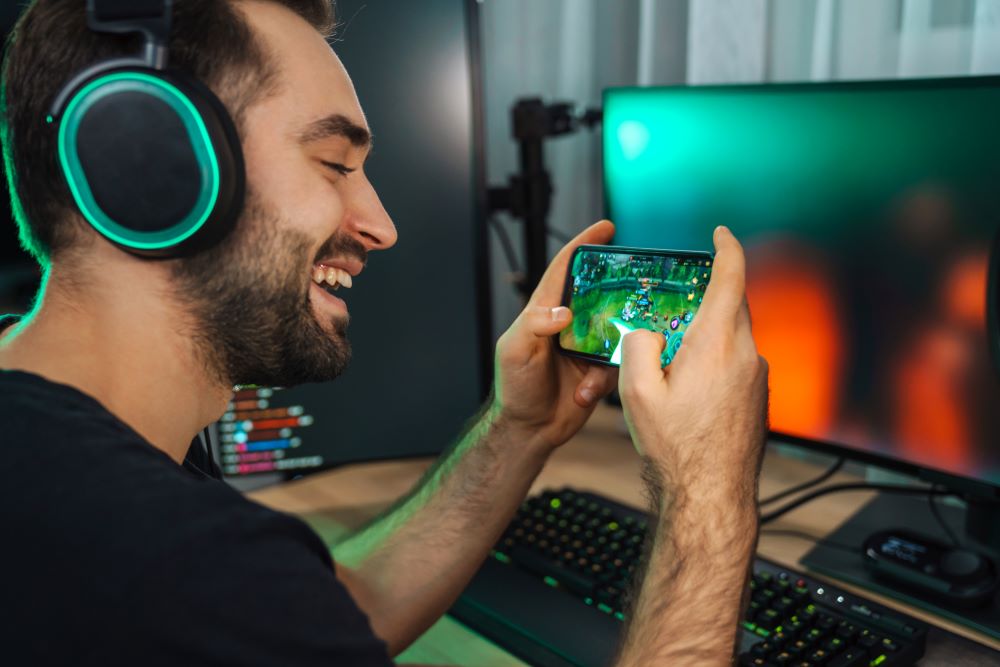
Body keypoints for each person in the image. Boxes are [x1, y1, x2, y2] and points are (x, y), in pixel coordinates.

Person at [0, 1, 769, 665]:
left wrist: (518, 429)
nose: (383, 227)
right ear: (144, 166)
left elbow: (308, 623)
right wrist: (708, 488)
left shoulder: (55, 431)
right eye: (335, 162)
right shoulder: (154, 560)